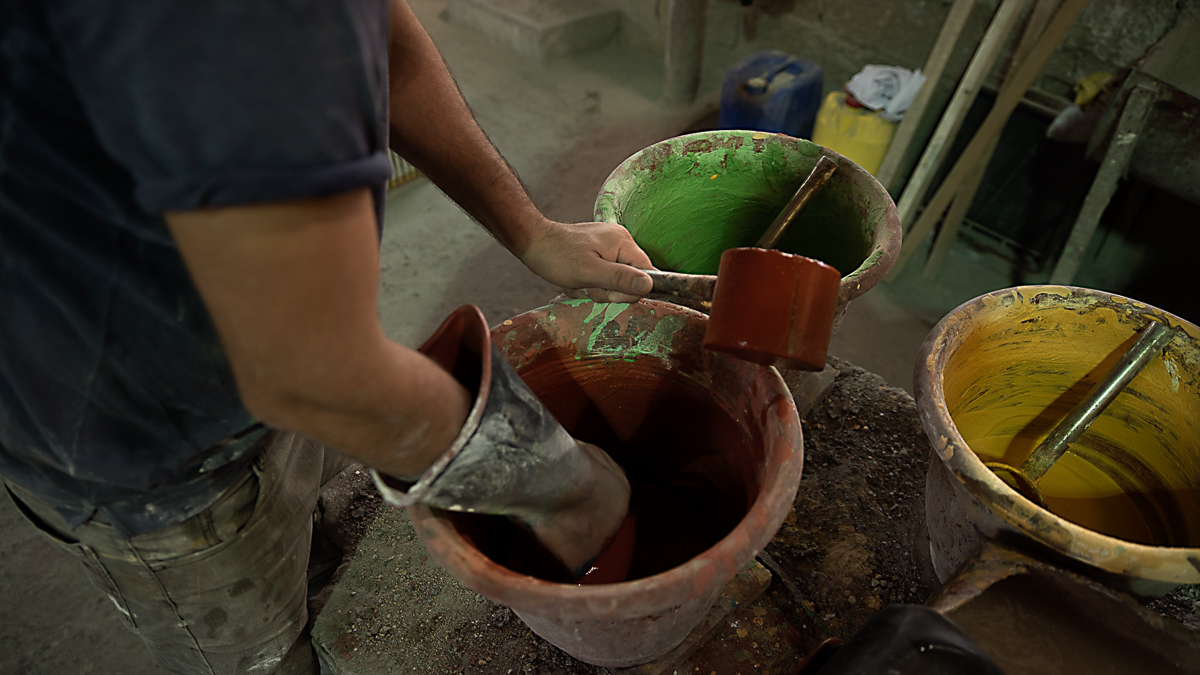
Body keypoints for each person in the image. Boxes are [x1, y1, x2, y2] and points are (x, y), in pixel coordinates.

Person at [0, 1, 654, 673]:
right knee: (265, 654)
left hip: (262, 351)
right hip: (142, 440)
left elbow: (388, 52)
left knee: (333, 524)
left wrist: (531, 231)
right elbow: (310, 374)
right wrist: (570, 489)